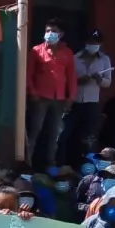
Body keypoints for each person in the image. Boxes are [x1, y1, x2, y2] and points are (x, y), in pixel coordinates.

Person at [26, 18, 77, 169]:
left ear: (61, 34)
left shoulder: (67, 52)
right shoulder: (36, 50)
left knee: (55, 133)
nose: (50, 34)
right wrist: (32, 92)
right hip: (40, 98)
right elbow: (28, 74)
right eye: (47, 31)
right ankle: (27, 164)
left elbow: (71, 77)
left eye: (53, 31)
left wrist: (71, 97)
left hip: (59, 98)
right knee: (35, 131)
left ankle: (50, 165)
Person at [63, 30, 112, 164]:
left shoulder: (104, 59)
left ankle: (87, 165)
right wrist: (78, 81)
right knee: (69, 134)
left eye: (96, 43)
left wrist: (99, 79)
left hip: (91, 103)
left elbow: (108, 82)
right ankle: (67, 163)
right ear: (85, 43)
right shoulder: (74, 58)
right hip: (74, 102)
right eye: (91, 42)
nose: (93, 45)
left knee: (89, 136)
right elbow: (66, 80)